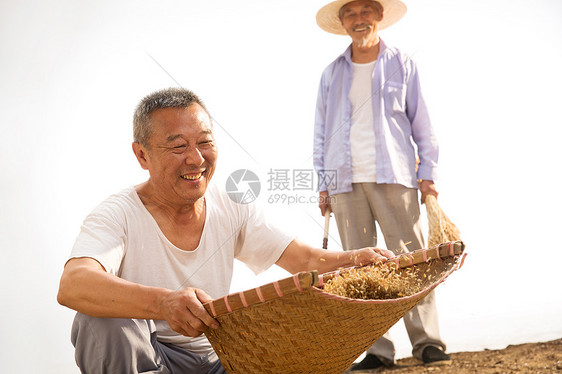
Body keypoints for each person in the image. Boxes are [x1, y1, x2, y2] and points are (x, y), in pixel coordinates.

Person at [57, 87, 393, 374]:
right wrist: (164, 303)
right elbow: (74, 283)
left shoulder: (232, 203)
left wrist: (355, 259)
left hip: (222, 357)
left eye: (204, 142)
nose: (195, 159)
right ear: (142, 155)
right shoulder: (117, 214)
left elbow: (304, 260)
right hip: (153, 357)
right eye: (177, 147)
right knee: (98, 319)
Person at [313, 0, 451, 370]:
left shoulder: (402, 64)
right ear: (342, 22)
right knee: (361, 269)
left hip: (396, 177)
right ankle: (378, 350)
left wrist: (429, 176)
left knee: (412, 262)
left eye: (365, 12)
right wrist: (323, 185)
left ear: (378, 17)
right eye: (351, 14)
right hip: (344, 182)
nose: (359, 20)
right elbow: (320, 133)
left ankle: (427, 343)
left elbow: (422, 123)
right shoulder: (331, 74)